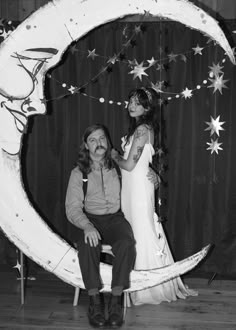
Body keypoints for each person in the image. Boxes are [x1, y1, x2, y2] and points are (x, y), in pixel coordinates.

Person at [111, 87, 197, 305]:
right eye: (130, 101)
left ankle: (148, 288)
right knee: (135, 233)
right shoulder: (139, 129)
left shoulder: (142, 130)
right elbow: (139, 163)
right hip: (131, 188)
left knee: (141, 234)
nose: (132, 105)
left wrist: (114, 155)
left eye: (137, 103)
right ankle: (137, 283)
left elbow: (129, 165)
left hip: (138, 188)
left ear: (147, 108)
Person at [65, 124, 136, 328]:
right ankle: (95, 302)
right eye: (93, 140)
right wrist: (87, 226)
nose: (99, 143)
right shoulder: (78, 173)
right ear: (86, 146)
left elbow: (138, 174)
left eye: (102, 138)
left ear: (108, 141)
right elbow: (72, 208)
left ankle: (115, 301)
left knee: (126, 243)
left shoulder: (118, 165)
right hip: (90, 219)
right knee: (87, 246)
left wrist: (153, 177)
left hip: (115, 219)